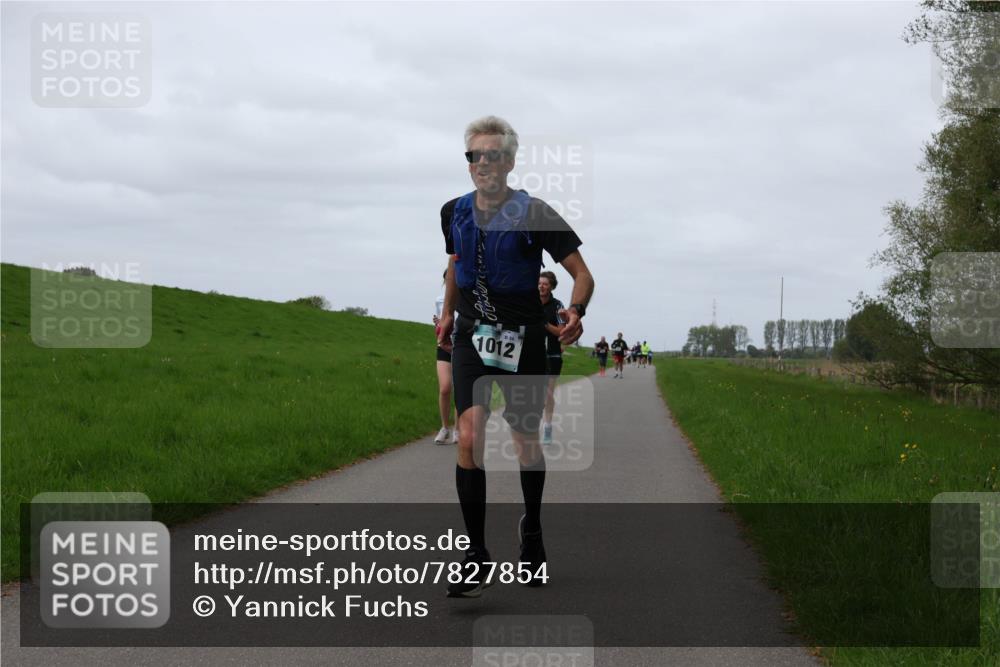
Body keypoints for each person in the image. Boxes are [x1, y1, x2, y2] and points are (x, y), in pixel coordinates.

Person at [437, 116, 594, 597]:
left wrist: (575, 310)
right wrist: (447, 315)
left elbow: (583, 274)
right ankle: (475, 556)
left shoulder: (535, 213)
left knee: (526, 443)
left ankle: (532, 532)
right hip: (470, 338)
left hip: (523, 339)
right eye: (474, 156)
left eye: (491, 155)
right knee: (469, 434)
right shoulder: (452, 212)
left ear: (508, 161)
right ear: (468, 164)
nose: (482, 164)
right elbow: (454, 265)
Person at [538, 271, 564, 446]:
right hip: (532, 352)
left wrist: (545, 324)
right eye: (539, 283)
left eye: (545, 284)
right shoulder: (529, 302)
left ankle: (547, 426)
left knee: (547, 393)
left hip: (552, 354)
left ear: (552, 286)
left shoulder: (557, 306)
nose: (541, 286)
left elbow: (562, 331)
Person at [433, 269, 458, 445]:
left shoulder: (467, 296)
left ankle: (458, 429)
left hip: (463, 346)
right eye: (447, 279)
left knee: (460, 390)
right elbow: (442, 321)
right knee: (445, 388)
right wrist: (438, 324)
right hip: (444, 345)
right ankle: (444, 428)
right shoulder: (439, 299)